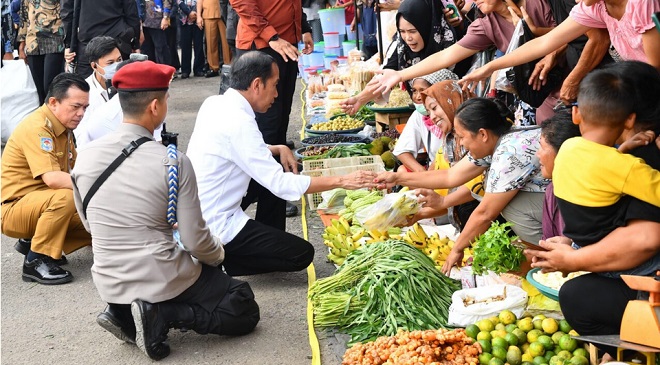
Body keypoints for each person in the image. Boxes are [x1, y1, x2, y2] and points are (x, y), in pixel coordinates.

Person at [71, 60, 260, 361]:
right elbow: (196, 240)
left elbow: (90, 223)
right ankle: (164, 312)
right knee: (243, 306)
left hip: (108, 277)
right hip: (159, 275)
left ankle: (123, 311)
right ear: (155, 106)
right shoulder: (172, 161)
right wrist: (218, 257)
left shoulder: (85, 156)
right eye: (168, 99)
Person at [187, 51, 377, 276]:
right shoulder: (239, 122)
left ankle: (260, 237)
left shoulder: (216, 103)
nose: (277, 93)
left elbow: (236, 149)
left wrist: (278, 148)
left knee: (277, 160)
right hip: (215, 224)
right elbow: (281, 184)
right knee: (301, 254)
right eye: (274, 85)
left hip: (198, 210)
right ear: (257, 84)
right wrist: (343, 180)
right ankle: (217, 261)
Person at [375, 97, 549, 274]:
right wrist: (397, 178)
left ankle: (547, 257)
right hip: (551, 200)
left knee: (510, 206)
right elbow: (451, 176)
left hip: (567, 204)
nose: (460, 143)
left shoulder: (510, 151)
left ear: (482, 134)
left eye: (461, 137)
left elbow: (485, 213)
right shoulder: (495, 143)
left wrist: (457, 249)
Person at [365, 0, 560, 124]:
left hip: (572, 82)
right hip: (542, 96)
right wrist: (401, 74)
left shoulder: (536, 4)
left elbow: (570, 34)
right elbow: (446, 56)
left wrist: (535, 33)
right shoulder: (486, 24)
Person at [1, 73, 92, 285]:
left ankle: (34, 240)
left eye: (85, 108)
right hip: (14, 209)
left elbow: (76, 169)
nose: (81, 114)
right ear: (53, 102)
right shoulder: (38, 128)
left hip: (40, 202)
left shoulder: (64, 127)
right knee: (68, 196)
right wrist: (97, 186)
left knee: (98, 224)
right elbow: (53, 179)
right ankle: (36, 260)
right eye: (76, 106)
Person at [230, 0, 314, 222]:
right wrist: (272, 37)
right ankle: (250, 200)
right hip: (263, 46)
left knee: (279, 125)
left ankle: (273, 204)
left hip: (286, 44)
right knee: (267, 127)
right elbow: (242, 3)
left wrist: (304, 27)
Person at [461, 0, 660, 91]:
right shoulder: (596, 7)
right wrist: (490, 67)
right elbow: (544, 43)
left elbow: (654, 68)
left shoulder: (641, 3)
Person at [341, 0, 459, 115]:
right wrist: (360, 99)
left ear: (427, 26)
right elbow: (384, 78)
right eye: (402, 31)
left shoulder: (450, 44)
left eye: (413, 31)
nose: (407, 38)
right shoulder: (400, 46)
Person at [392, 69, 458, 172]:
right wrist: (422, 174)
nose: (418, 96)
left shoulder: (462, 122)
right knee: (402, 170)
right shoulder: (421, 116)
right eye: (414, 91)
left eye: (422, 90)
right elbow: (402, 150)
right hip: (439, 174)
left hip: (457, 178)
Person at [61, 0, 141, 77]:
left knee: (88, 86)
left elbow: (67, 12)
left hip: (88, 40)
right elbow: (131, 10)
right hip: (116, 37)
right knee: (121, 82)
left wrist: (69, 45)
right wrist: (135, 43)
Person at [74, 36, 122, 146]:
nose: (116, 66)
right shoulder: (83, 93)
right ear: (94, 66)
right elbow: (82, 136)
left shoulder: (129, 86)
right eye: (110, 63)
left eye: (119, 60)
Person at [17, 0, 66, 104]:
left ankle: (55, 114)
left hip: (54, 41)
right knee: (38, 88)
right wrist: (21, 45)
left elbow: (66, 12)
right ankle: (43, 115)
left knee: (50, 85)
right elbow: (23, 17)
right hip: (33, 43)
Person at [197, 0, 231, 77]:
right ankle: (213, 67)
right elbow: (199, 1)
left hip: (224, 12)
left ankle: (229, 65)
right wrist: (199, 16)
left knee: (227, 43)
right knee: (211, 43)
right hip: (208, 12)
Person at [177, 0, 205, 78]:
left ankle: (199, 69)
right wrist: (188, 12)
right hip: (184, 19)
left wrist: (196, 14)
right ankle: (185, 70)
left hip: (198, 18)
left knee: (199, 45)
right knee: (185, 46)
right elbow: (179, 1)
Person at [140, 0, 172, 65]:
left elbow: (166, 1)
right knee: (146, 51)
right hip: (143, 23)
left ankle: (165, 72)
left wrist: (165, 17)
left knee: (161, 49)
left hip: (158, 22)